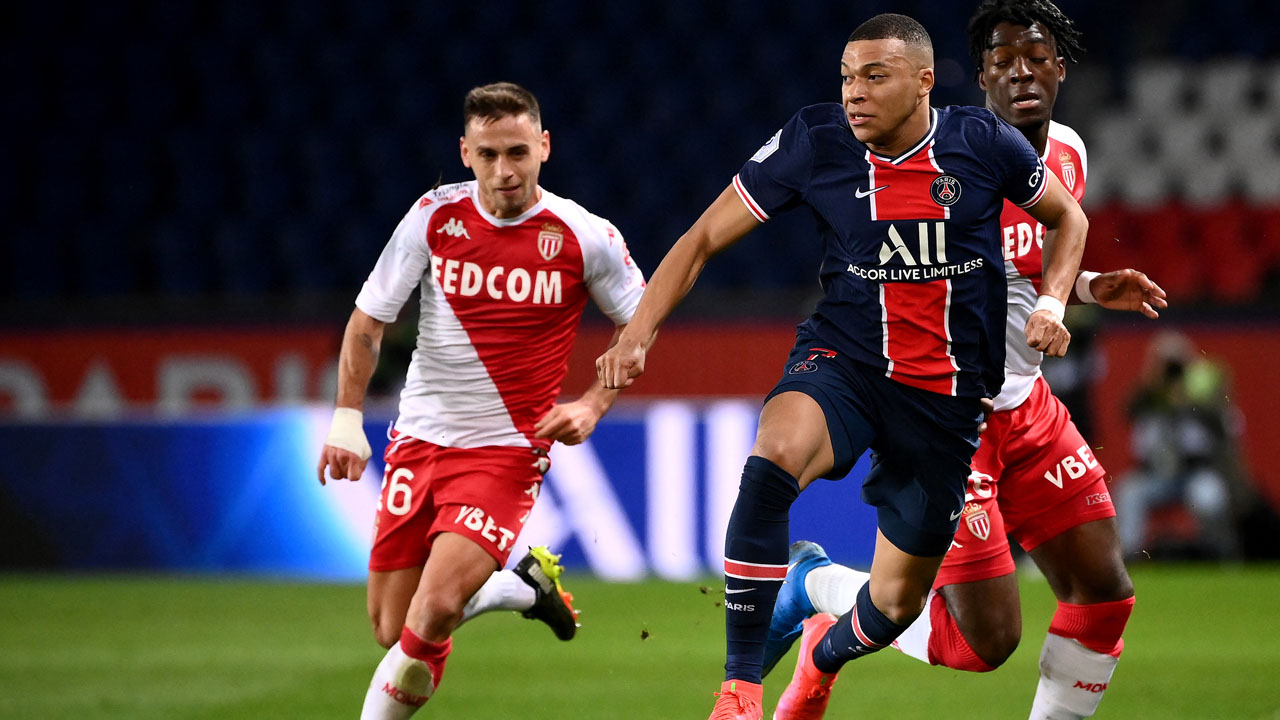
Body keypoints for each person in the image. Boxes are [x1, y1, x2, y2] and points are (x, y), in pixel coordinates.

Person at [596, 13, 1089, 720]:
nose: (854, 92)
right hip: (846, 362)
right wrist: (636, 336)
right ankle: (739, 691)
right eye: (847, 77)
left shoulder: (981, 142)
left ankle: (814, 616)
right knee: (773, 459)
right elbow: (702, 237)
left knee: (895, 605)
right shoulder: (816, 139)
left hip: (945, 400)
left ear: (924, 81)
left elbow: (1068, 218)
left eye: (875, 77)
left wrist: (1054, 302)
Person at [764, 2, 1169, 719]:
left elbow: (1020, 267)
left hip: (1028, 406)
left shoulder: (1067, 152)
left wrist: (1085, 288)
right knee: (981, 643)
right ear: (979, 77)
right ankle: (815, 589)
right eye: (1003, 61)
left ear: (1060, 70)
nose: (1022, 73)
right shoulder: (946, 166)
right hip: (950, 417)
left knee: (1104, 593)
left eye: (1036, 59)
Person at [317, 82, 645, 719]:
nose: (504, 171)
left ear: (544, 147)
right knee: (391, 627)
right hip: (419, 438)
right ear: (465, 153)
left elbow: (639, 328)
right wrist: (347, 418)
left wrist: (592, 404)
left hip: (507, 451)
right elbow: (367, 321)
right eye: (489, 154)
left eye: (518, 152)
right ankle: (518, 590)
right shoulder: (432, 217)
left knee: (434, 609)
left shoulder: (586, 236)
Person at [1116, 331, 1243, 559]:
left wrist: (1193, 400)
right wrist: (1153, 382)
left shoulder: (1202, 395)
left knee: (1209, 496)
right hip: (1156, 473)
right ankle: (1128, 556)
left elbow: (1226, 428)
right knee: (1129, 492)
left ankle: (1219, 556)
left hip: (1195, 471)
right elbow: (1128, 411)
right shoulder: (1150, 395)